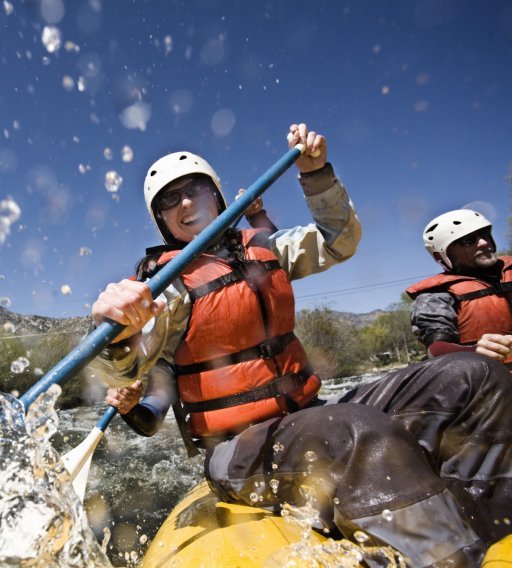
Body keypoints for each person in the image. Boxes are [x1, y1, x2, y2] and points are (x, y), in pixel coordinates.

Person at [89, 124, 512, 566]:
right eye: (169, 201)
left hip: (309, 415)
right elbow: (127, 369)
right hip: (237, 451)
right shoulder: (164, 288)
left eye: (194, 189)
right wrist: (116, 330)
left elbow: (339, 240)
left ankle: (481, 527)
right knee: (353, 430)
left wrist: (316, 175)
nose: (186, 203)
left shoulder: (264, 248)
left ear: (216, 194)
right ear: (161, 220)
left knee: (474, 377)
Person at [405, 209, 512, 365]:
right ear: (442, 255)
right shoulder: (435, 296)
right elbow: (436, 349)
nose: (484, 242)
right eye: (468, 240)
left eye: (485, 235)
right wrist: (475, 352)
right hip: (492, 379)